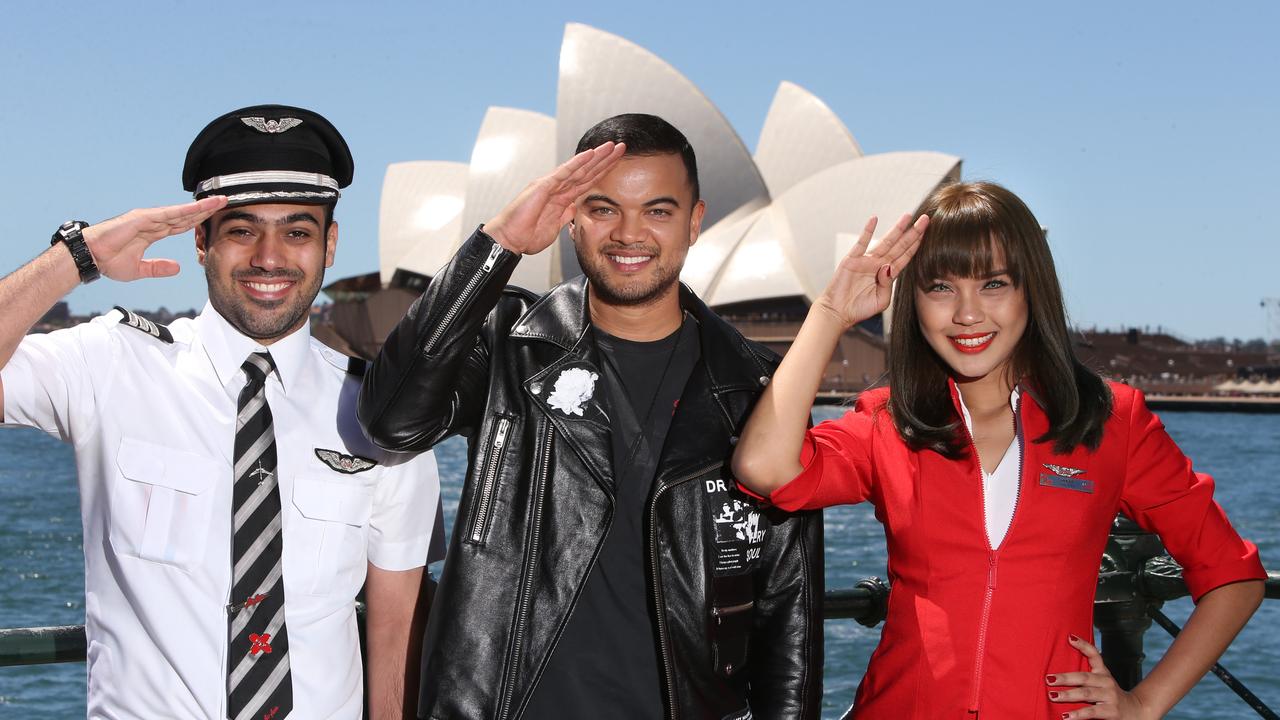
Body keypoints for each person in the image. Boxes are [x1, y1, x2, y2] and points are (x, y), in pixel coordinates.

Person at [731, 181, 1266, 719]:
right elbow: (766, 468)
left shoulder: (1110, 420)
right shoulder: (888, 422)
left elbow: (1234, 577)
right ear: (911, 299)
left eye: (994, 284)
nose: (968, 314)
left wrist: (1144, 704)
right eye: (940, 287)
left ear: (1031, 289)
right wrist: (829, 312)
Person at [359, 114, 823, 719]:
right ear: (571, 216)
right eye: (603, 209)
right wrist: (496, 245)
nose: (629, 235)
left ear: (696, 220)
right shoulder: (508, 342)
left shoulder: (758, 387)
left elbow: (788, 609)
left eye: (657, 211)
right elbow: (393, 419)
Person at [0, 105, 444, 720]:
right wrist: (79, 257)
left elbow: (395, 632)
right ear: (202, 241)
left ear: (330, 244)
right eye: (241, 230)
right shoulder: (110, 364)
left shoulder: (381, 413)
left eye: (297, 231)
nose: (269, 257)